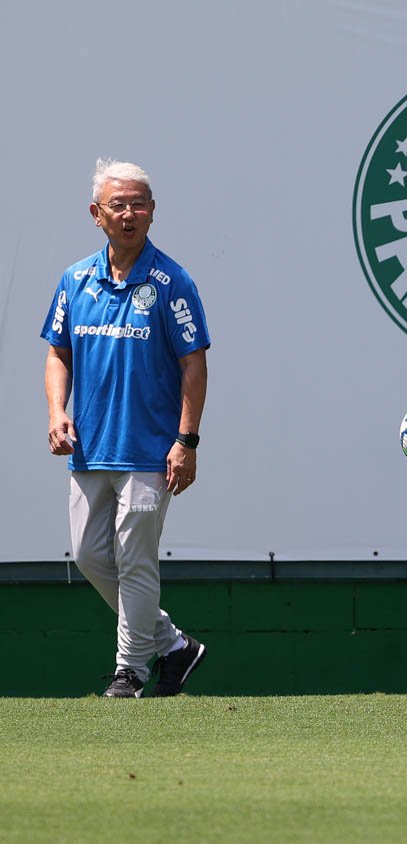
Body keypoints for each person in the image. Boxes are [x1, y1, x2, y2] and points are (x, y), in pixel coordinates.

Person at [41, 159, 212, 698]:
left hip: (149, 451)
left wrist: (186, 441)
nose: (130, 214)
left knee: (135, 562)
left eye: (139, 204)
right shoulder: (75, 279)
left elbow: (194, 362)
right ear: (97, 214)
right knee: (90, 556)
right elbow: (57, 352)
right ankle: (173, 645)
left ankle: (131, 671)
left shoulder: (172, 281)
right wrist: (57, 412)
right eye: (118, 205)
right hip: (89, 447)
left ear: (153, 211)